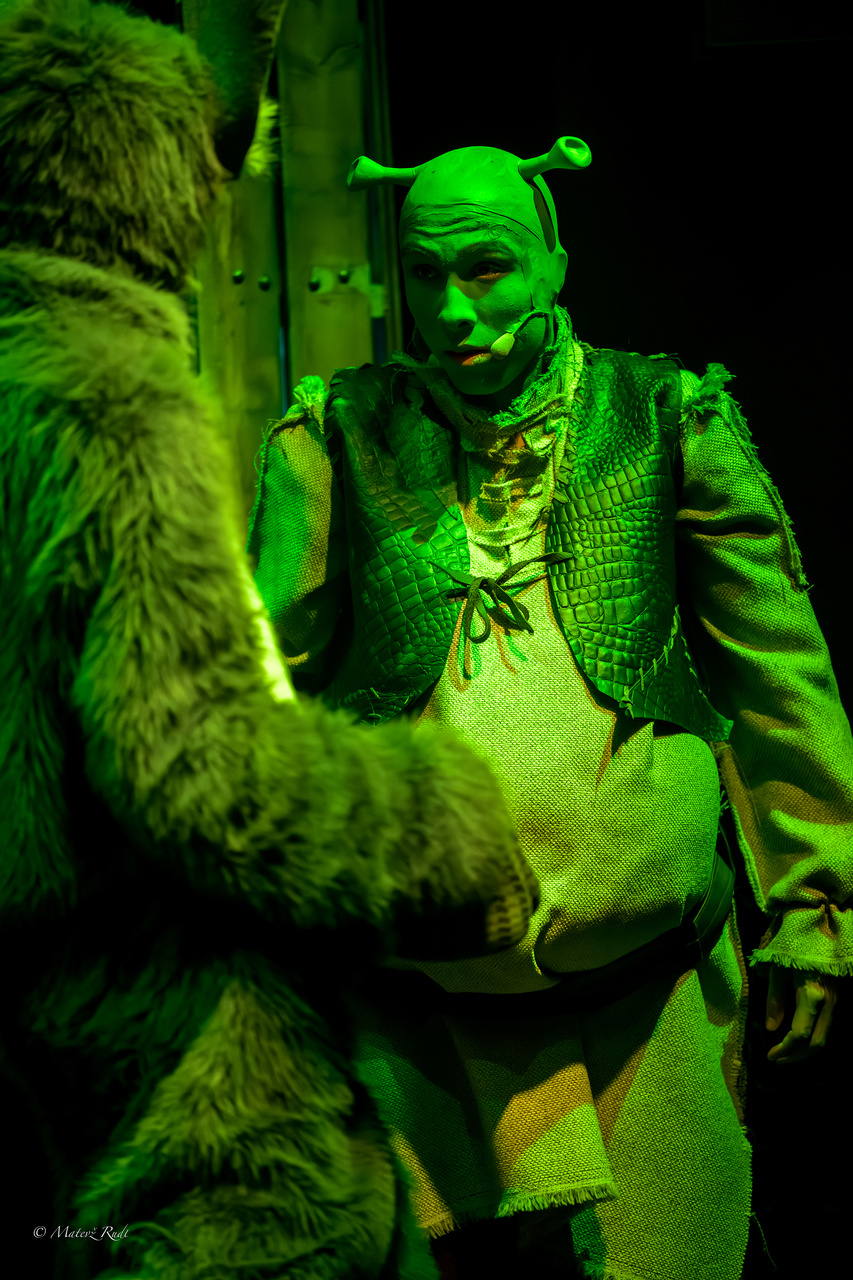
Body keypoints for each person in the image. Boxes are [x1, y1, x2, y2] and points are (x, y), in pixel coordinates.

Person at [247, 135, 853, 1279]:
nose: (453, 310)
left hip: (646, 1008)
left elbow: (777, 672)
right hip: (414, 1027)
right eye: (425, 274)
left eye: (486, 268)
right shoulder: (334, 435)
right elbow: (261, 689)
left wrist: (814, 899)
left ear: (553, 261)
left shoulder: (663, 417)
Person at [0, 5, 539, 1277]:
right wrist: (437, 824)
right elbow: (196, 762)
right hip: (194, 1097)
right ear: (150, 178)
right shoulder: (105, 394)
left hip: (55, 1053)